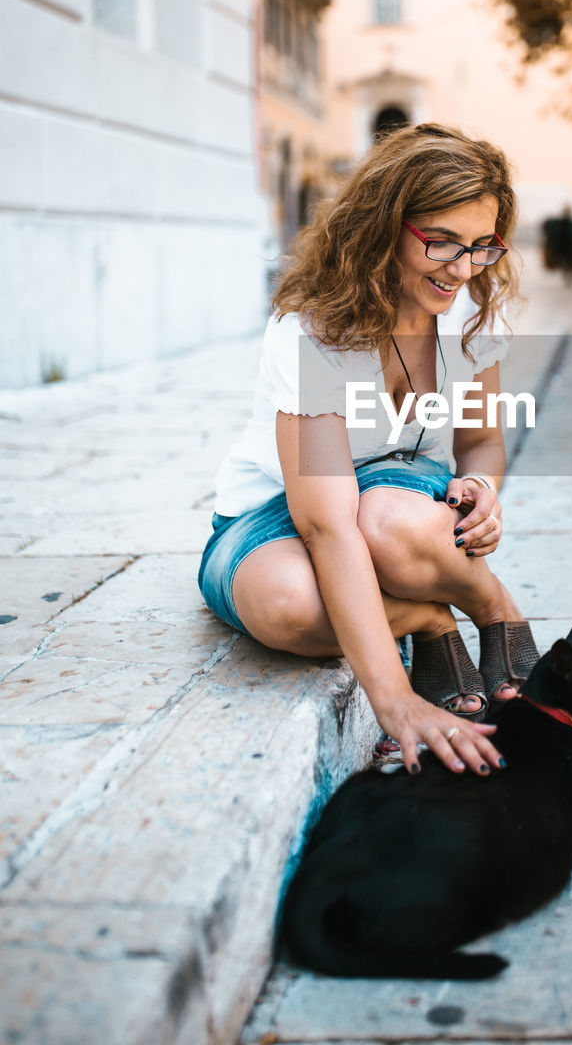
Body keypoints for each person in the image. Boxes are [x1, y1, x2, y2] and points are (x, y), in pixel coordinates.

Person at [198, 123, 539, 778]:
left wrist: (485, 490)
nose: (463, 268)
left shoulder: (470, 310)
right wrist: (396, 703)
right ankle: (432, 619)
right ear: (384, 223)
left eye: (480, 246)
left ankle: (493, 606)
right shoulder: (313, 333)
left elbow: (479, 440)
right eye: (440, 242)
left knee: (389, 522)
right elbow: (326, 525)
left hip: (398, 494)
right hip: (271, 513)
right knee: (287, 605)